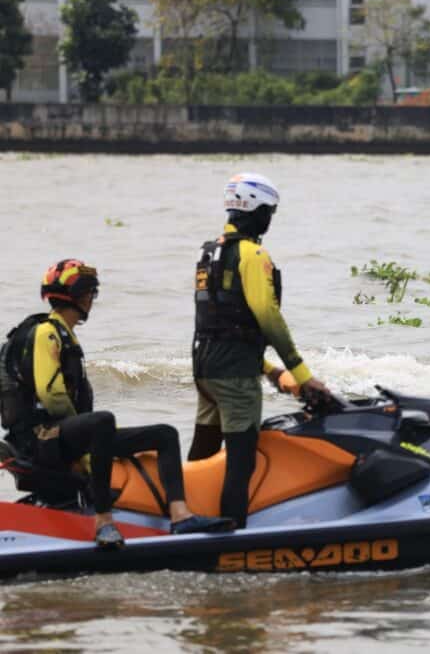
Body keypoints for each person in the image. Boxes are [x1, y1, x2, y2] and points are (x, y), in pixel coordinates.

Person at [0, 260, 233, 548]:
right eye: (91, 294)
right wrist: (85, 443)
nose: (92, 301)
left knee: (165, 434)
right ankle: (104, 522)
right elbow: (52, 395)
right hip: (40, 438)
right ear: (81, 296)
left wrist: (87, 434)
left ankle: (180, 516)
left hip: (63, 434)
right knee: (102, 421)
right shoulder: (47, 333)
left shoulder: (63, 334)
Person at [189, 173, 332, 529]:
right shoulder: (253, 255)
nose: (270, 219)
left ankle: (179, 516)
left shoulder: (209, 253)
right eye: (268, 211)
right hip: (234, 376)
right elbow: (268, 317)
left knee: (202, 453)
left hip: (205, 367)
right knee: (241, 461)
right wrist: (301, 374)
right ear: (254, 209)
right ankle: (230, 535)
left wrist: (270, 371)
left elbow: (219, 322)